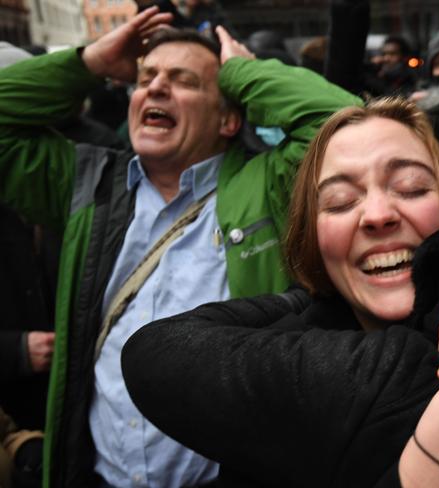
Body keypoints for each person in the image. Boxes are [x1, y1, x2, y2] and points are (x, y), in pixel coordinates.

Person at [122, 97, 439, 486]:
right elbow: (156, 348)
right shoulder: (300, 348)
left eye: (412, 189)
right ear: (311, 234)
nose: (376, 215)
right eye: (339, 201)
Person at [0, 7, 359, 487]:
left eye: (184, 80)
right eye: (146, 77)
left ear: (229, 120)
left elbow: (348, 129)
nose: (156, 87)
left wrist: (244, 71)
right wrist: (89, 63)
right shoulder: (87, 187)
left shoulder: (269, 185)